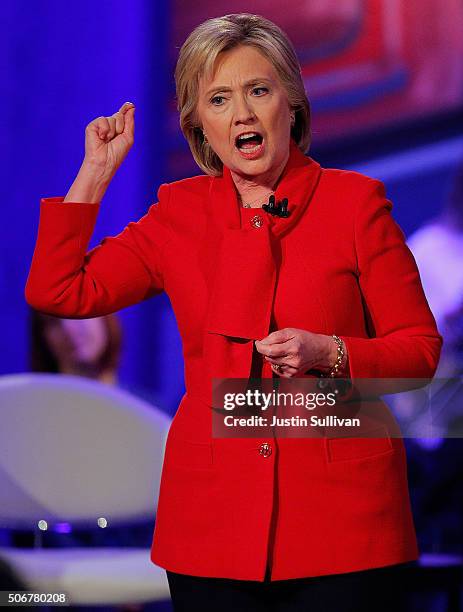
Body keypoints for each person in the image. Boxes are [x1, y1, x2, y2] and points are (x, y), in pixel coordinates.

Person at [25, 13, 442, 612]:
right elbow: (59, 291)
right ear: (200, 123)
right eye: (219, 98)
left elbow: (419, 352)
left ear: (292, 104)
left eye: (258, 90)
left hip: (345, 529)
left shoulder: (355, 205)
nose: (241, 113)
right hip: (212, 527)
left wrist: (333, 353)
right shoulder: (178, 215)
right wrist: (95, 173)